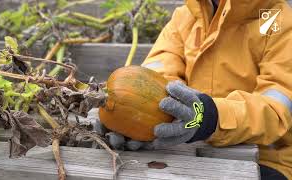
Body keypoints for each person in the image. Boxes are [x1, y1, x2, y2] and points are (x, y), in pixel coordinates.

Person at [95, 0, 292, 179]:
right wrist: (134, 117)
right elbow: (157, 73)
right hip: (187, 147)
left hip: (267, 159)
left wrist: (211, 118)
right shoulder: (185, 17)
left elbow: (277, 109)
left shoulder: (276, 19)